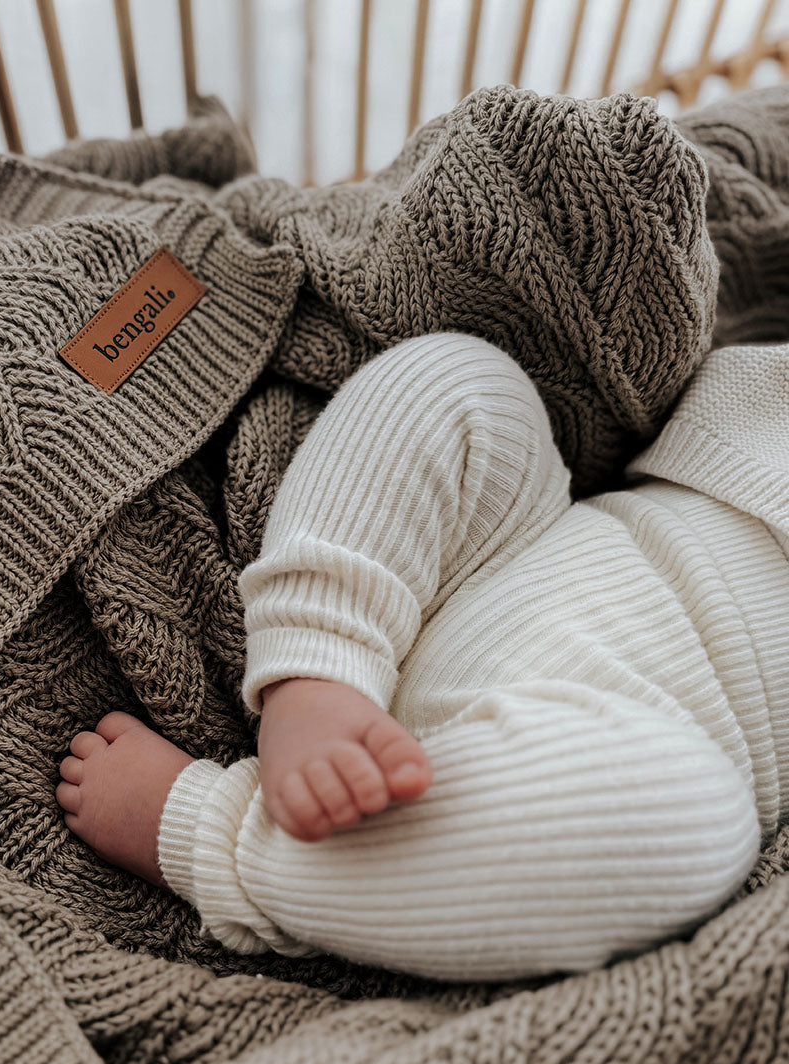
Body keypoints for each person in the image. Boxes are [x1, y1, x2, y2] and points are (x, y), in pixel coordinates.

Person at [55, 330, 789, 982]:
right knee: (464, 383)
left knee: (692, 831)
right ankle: (317, 663)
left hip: (603, 757)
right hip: (507, 555)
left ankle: (234, 839)